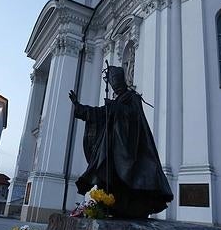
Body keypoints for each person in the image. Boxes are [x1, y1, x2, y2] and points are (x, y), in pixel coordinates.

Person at [69, 65, 173, 219]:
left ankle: (131, 208)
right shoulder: (116, 100)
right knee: (108, 174)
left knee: (130, 177)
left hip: (131, 148)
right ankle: (112, 206)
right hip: (112, 148)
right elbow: (99, 113)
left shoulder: (133, 98)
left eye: (115, 83)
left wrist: (115, 107)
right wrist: (79, 106)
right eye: (112, 84)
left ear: (121, 82)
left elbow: (134, 117)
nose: (114, 86)